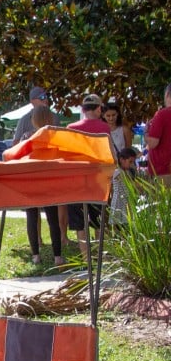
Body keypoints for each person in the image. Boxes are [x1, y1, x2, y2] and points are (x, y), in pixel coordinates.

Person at [67, 93, 114, 257]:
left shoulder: (71, 129)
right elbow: (108, 155)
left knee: (80, 224)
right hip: (98, 180)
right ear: (99, 108)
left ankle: (86, 259)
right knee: (99, 222)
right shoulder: (104, 128)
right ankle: (101, 257)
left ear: (83, 109)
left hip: (76, 180)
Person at [23, 104, 65, 266]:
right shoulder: (55, 137)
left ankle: (35, 255)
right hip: (49, 181)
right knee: (52, 219)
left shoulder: (27, 136)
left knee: (32, 217)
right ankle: (58, 256)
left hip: (31, 180)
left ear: (33, 120)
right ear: (50, 118)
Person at [144, 83, 171, 186]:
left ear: (167, 94)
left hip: (164, 170)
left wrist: (146, 133)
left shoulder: (162, 114)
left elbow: (152, 143)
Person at [110, 146, 139, 226]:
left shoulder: (127, 172)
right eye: (130, 162)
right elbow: (129, 182)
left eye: (133, 162)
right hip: (119, 202)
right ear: (122, 160)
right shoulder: (118, 172)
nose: (132, 164)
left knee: (126, 223)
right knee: (118, 224)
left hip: (126, 201)